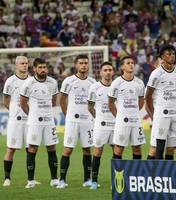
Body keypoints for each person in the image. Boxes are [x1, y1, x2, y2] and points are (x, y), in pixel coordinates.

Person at [57, 55, 96, 188]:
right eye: (81, 63)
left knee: (87, 149)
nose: (84, 65)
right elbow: (62, 100)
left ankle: (87, 180)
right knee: (67, 150)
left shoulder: (92, 82)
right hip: (72, 121)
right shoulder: (69, 81)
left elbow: (93, 102)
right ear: (76, 65)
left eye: (86, 63)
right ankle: (61, 180)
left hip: (87, 121)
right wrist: (68, 116)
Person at [19, 58, 59, 188]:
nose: (43, 70)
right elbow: (23, 102)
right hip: (34, 122)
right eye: (40, 67)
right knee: (32, 148)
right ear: (34, 69)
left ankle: (54, 179)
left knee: (51, 148)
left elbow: (53, 101)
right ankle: (30, 180)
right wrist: (32, 115)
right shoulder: (29, 83)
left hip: (49, 121)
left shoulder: (53, 82)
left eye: (44, 67)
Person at [145, 45, 176, 160]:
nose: (172, 56)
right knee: (159, 147)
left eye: (173, 53)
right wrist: (153, 114)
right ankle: (158, 174)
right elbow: (148, 96)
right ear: (162, 57)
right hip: (161, 113)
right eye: (168, 54)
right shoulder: (156, 74)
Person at [109, 56, 146, 160]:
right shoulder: (116, 83)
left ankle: (136, 173)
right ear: (122, 67)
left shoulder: (139, 83)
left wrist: (133, 112)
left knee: (137, 148)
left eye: (132, 62)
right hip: (122, 121)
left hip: (135, 120)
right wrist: (119, 116)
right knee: (119, 148)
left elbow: (141, 101)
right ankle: (117, 174)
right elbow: (111, 103)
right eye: (128, 63)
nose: (131, 65)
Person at [2, 56, 32, 186]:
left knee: (30, 149)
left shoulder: (32, 81)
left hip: (30, 121)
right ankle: (7, 178)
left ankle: (30, 179)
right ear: (16, 65)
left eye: (26, 63)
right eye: (22, 63)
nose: (24, 65)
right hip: (15, 120)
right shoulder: (10, 81)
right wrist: (14, 111)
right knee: (11, 149)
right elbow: (6, 101)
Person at [87, 62, 115, 189]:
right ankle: (94, 181)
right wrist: (98, 117)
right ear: (101, 72)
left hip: (115, 124)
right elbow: (90, 106)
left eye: (110, 70)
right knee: (97, 152)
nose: (108, 72)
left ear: (113, 72)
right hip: (100, 124)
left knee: (117, 152)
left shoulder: (117, 86)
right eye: (105, 70)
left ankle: (115, 181)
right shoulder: (94, 87)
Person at [146, 56, 176, 160]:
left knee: (171, 148)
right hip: (160, 118)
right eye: (160, 64)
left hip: (172, 118)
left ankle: (167, 174)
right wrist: (154, 118)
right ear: (156, 66)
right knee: (155, 147)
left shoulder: (175, 79)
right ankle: (150, 173)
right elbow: (147, 105)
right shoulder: (151, 84)